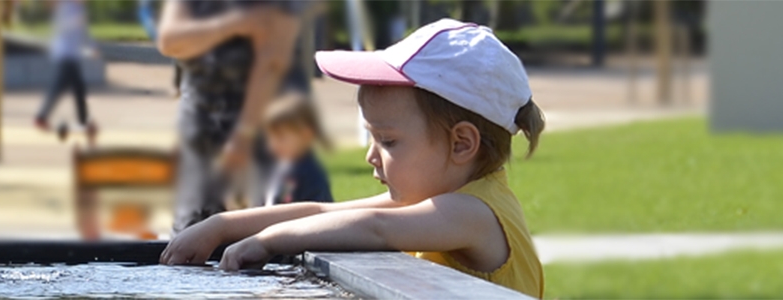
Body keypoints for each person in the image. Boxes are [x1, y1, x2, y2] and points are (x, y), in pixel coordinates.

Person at [160, 18, 547, 297]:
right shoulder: (433, 201)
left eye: (388, 141)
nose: (370, 156)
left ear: (462, 143)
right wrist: (222, 225)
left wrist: (268, 240)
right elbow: (325, 213)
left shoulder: (474, 213)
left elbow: (373, 226)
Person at [155, 1, 308, 232]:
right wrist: (237, 23)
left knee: (266, 238)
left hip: (265, 131)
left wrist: (243, 136)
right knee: (189, 237)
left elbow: (272, 62)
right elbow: (170, 41)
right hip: (199, 127)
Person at [34, 0, 97, 145]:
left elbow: (83, 32)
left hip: (72, 55)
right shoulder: (65, 6)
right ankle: (43, 117)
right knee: (71, 88)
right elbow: (60, 27)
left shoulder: (79, 9)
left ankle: (43, 117)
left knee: (73, 88)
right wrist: (74, 22)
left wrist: (92, 47)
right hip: (63, 53)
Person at [259, 98, 332, 206]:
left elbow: (315, 213)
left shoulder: (310, 175)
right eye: (270, 137)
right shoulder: (281, 166)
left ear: (305, 135)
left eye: (280, 137)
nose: (272, 144)